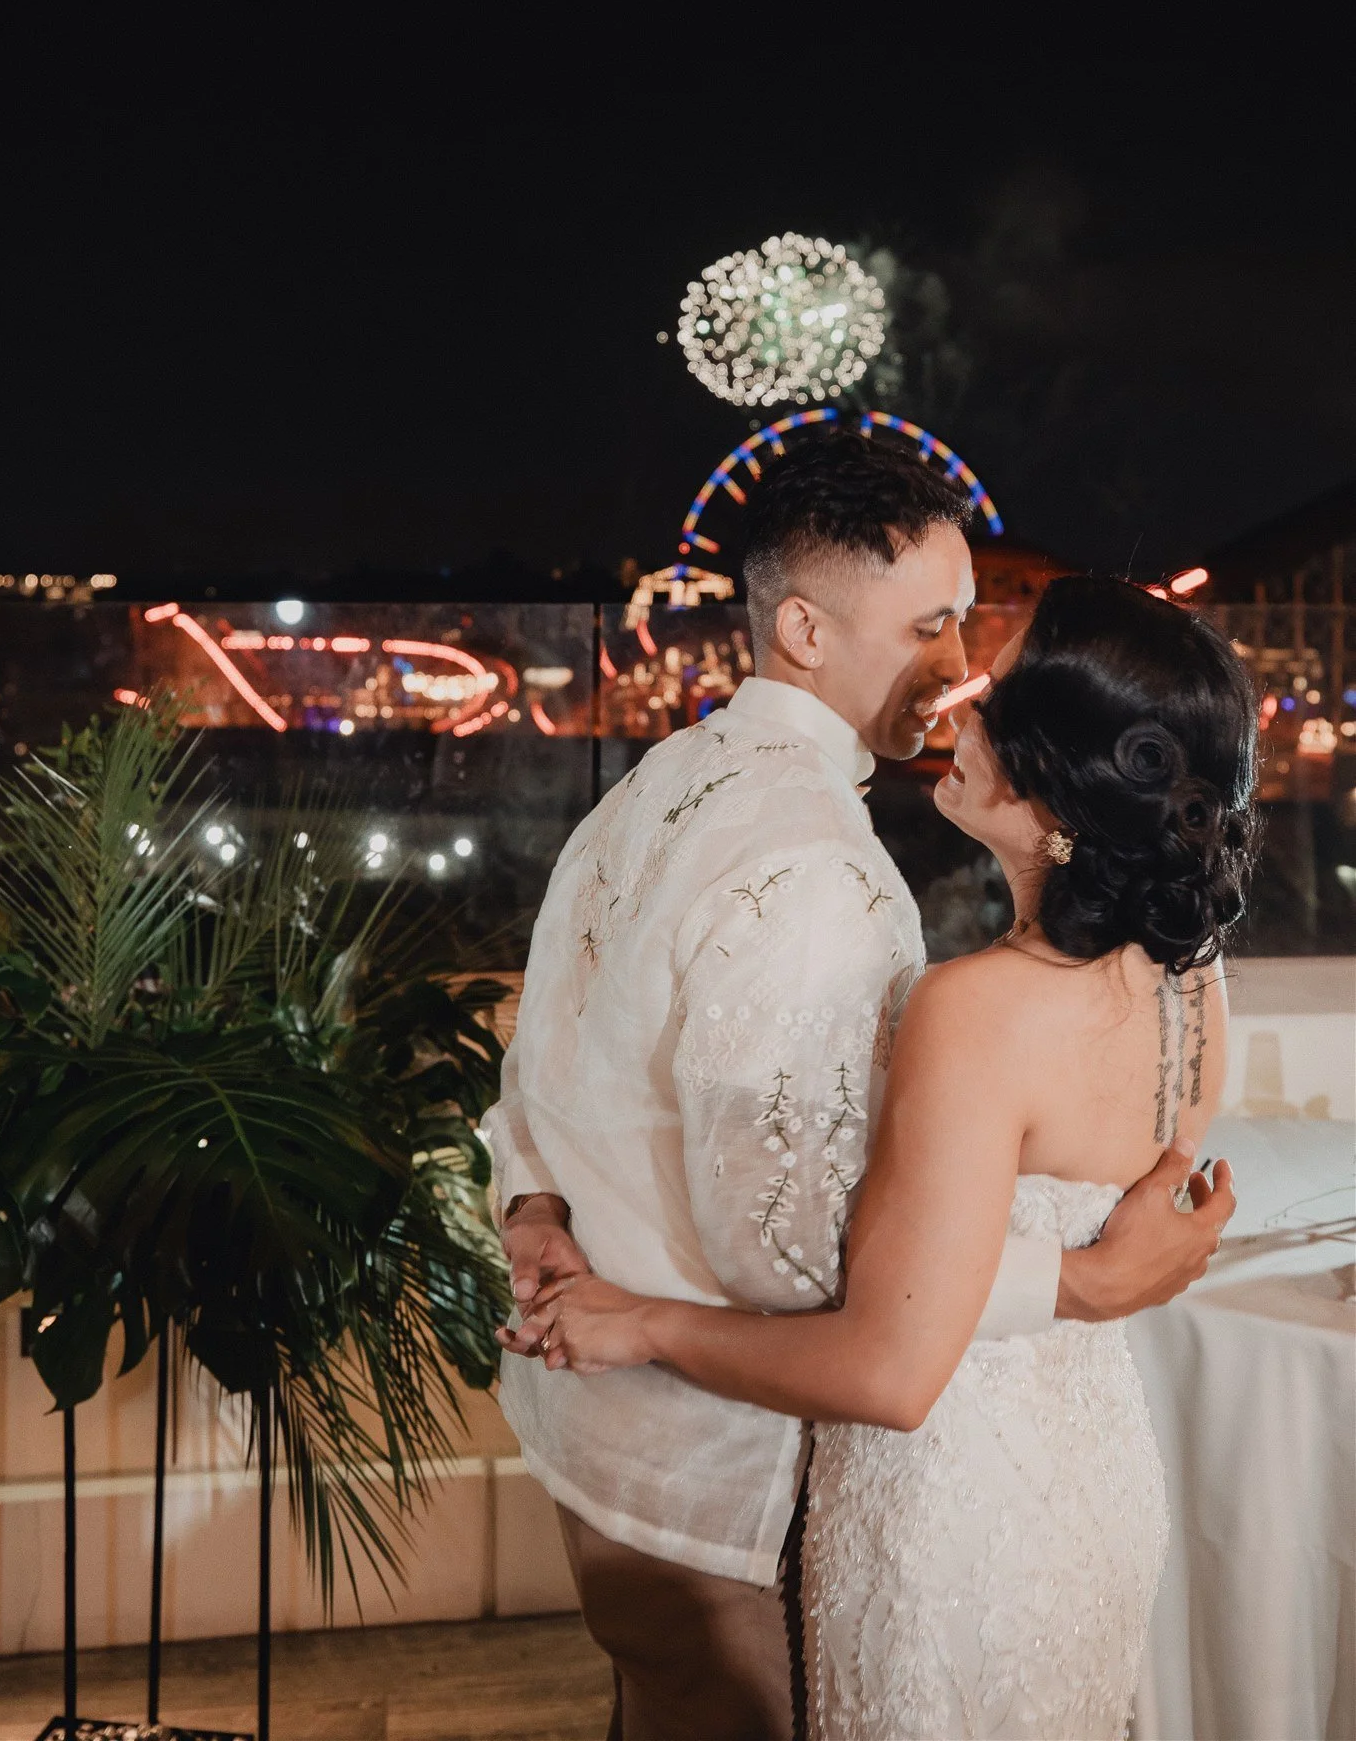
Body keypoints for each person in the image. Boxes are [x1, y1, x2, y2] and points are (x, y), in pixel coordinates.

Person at [483, 434, 1236, 1741]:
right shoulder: (1180, 980)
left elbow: (545, 1062)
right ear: (801, 628)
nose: (954, 681)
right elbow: (798, 1245)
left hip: (890, 1489)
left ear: (1052, 784)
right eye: (935, 628)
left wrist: (535, 1214)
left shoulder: (655, 787)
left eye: (975, 654)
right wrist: (1076, 1284)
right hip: (989, 1478)